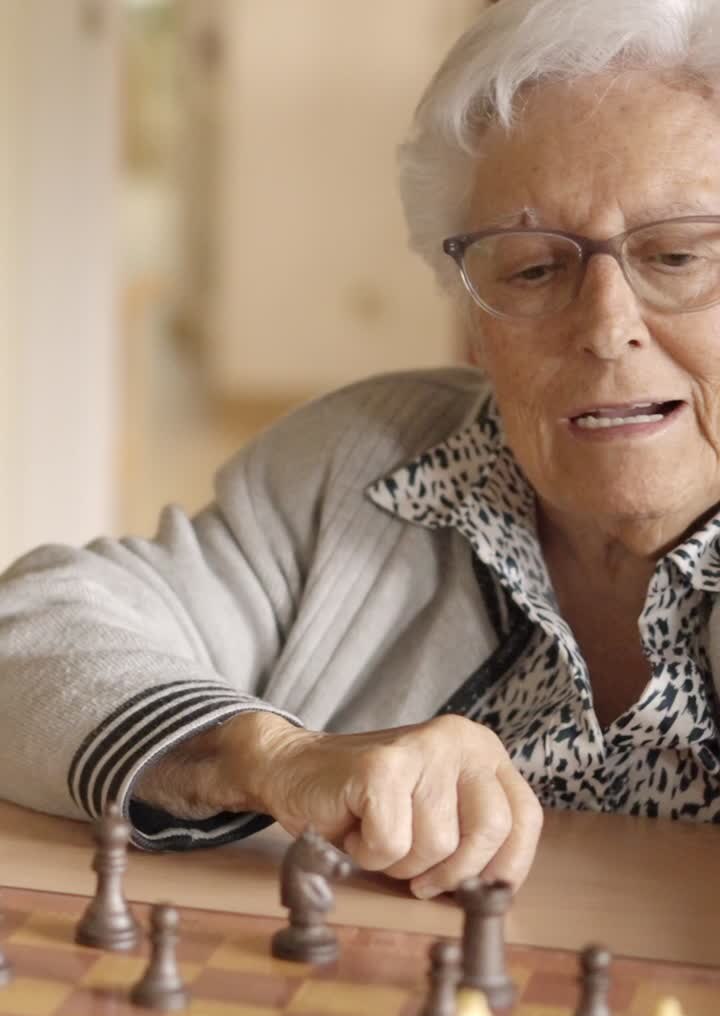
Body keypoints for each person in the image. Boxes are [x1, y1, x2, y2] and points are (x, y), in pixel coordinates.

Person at [2, 0, 720, 899]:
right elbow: (26, 634)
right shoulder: (358, 468)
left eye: (680, 257)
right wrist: (269, 755)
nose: (606, 328)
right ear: (469, 316)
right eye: (533, 267)